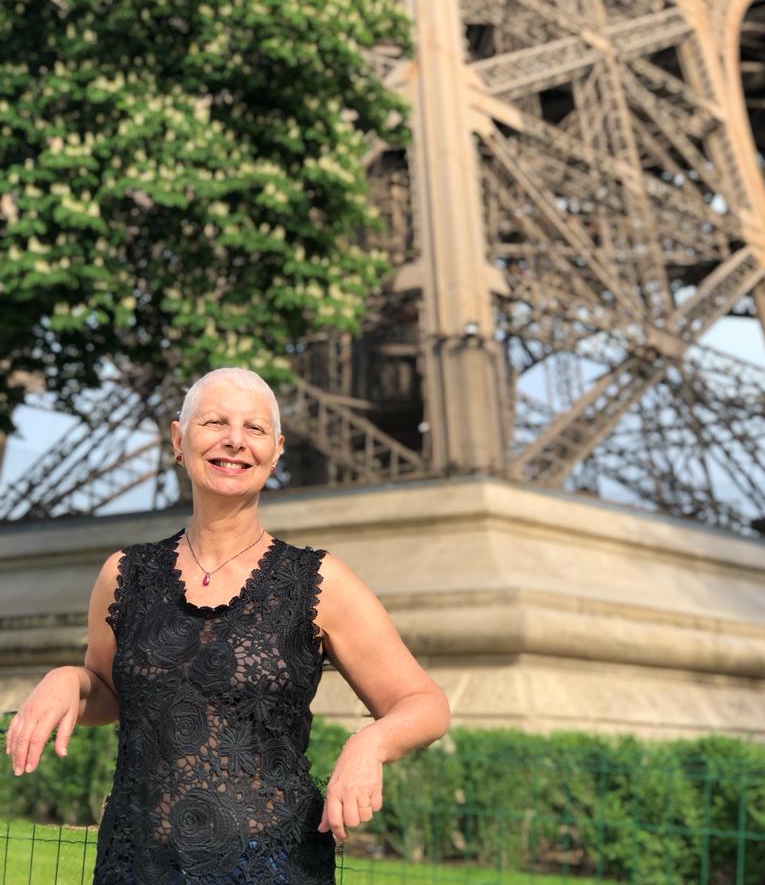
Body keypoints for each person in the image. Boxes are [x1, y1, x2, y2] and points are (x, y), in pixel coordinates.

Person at [5, 367, 451, 884]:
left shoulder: (319, 580)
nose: (235, 441)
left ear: (277, 450)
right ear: (179, 439)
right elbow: (106, 695)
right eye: (215, 422)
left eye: (254, 429)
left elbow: (425, 703)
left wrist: (368, 744)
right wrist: (71, 679)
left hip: (271, 866)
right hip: (136, 863)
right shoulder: (124, 574)